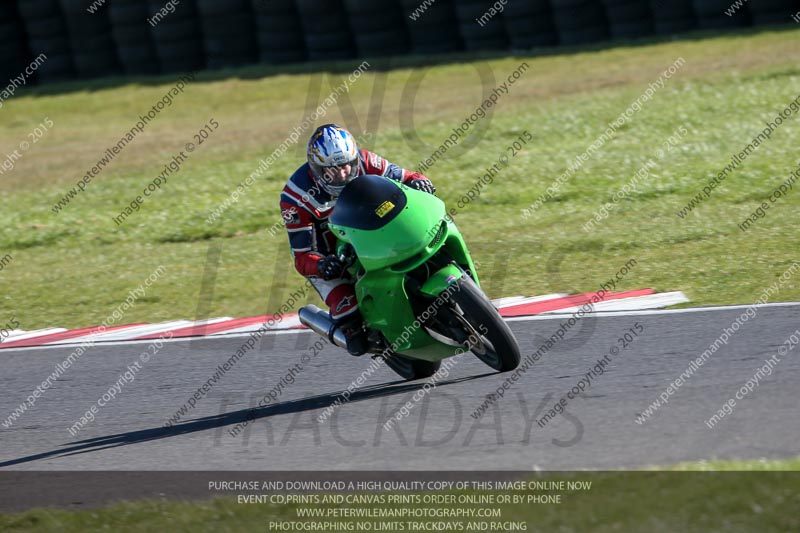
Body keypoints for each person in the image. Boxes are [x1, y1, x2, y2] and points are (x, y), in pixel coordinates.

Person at [280, 124, 436, 355]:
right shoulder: (295, 198)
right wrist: (322, 264)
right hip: (331, 256)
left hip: (372, 233)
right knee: (350, 319)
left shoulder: (365, 160)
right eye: (332, 171)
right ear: (316, 168)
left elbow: (405, 176)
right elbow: (302, 257)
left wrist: (419, 182)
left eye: (346, 166)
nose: (343, 174)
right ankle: (349, 331)